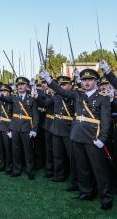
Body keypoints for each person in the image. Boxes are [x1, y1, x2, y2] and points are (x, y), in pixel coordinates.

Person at [40, 68, 113, 210]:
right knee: (82, 167)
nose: (86, 82)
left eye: (90, 80)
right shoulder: (78, 95)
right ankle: (86, 191)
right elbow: (62, 92)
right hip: (77, 135)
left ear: (96, 82)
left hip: (93, 138)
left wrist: (102, 138)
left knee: (99, 169)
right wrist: (49, 80)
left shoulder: (102, 98)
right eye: (84, 80)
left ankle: (106, 197)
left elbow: (106, 120)